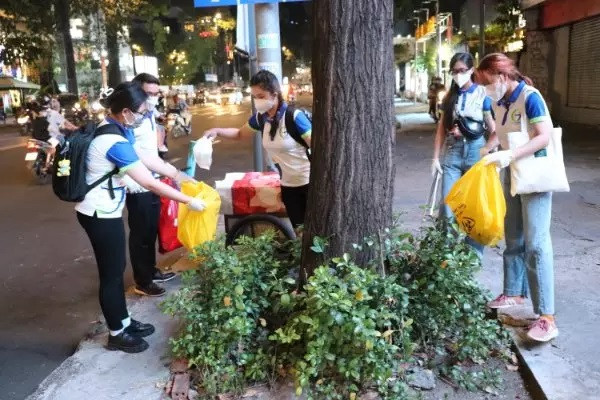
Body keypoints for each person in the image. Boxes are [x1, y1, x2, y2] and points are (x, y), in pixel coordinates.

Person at [75, 82, 206, 353]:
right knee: (112, 274)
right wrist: (187, 200)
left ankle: (123, 321)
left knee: (116, 268)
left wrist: (177, 174)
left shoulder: (116, 129)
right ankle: (117, 334)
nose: (145, 116)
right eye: (142, 112)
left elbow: (145, 157)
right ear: (125, 112)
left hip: (105, 210)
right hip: (99, 213)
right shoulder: (113, 141)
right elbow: (148, 182)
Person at [476, 53, 558, 342]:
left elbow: (543, 136)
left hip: (534, 175)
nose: (486, 89)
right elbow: (501, 133)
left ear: (502, 76)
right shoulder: (499, 103)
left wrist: (510, 154)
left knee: (536, 244)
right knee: (513, 238)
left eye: (487, 82)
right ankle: (513, 292)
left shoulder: (530, 97)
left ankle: (547, 317)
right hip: (511, 174)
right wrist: (489, 148)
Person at [203, 70, 312, 228]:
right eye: (254, 97)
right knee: (299, 231)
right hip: (288, 186)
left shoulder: (294, 116)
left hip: (309, 184)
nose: (257, 101)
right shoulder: (261, 118)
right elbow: (240, 134)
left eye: (261, 96)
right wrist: (217, 131)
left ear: (274, 94)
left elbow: (317, 147)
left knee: (315, 232)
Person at [123, 73, 194, 297]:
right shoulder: (132, 119)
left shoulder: (149, 115)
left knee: (151, 230)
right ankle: (143, 281)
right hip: (138, 183)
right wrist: (173, 173)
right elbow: (138, 154)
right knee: (141, 233)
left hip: (153, 178)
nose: (153, 98)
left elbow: (152, 151)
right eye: (148, 93)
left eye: (156, 93)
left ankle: (151, 270)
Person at [432, 52, 495, 257]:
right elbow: (441, 129)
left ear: (471, 70)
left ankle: (472, 256)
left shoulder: (483, 94)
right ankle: (446, 257)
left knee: (475, 207)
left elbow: (493, 128)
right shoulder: (450, 97)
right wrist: (435, 158)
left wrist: (492, 153)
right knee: (448, 206)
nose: (458, 75)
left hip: (476, 151)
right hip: (453, 152)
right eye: (454, 71)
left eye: (462, 70)